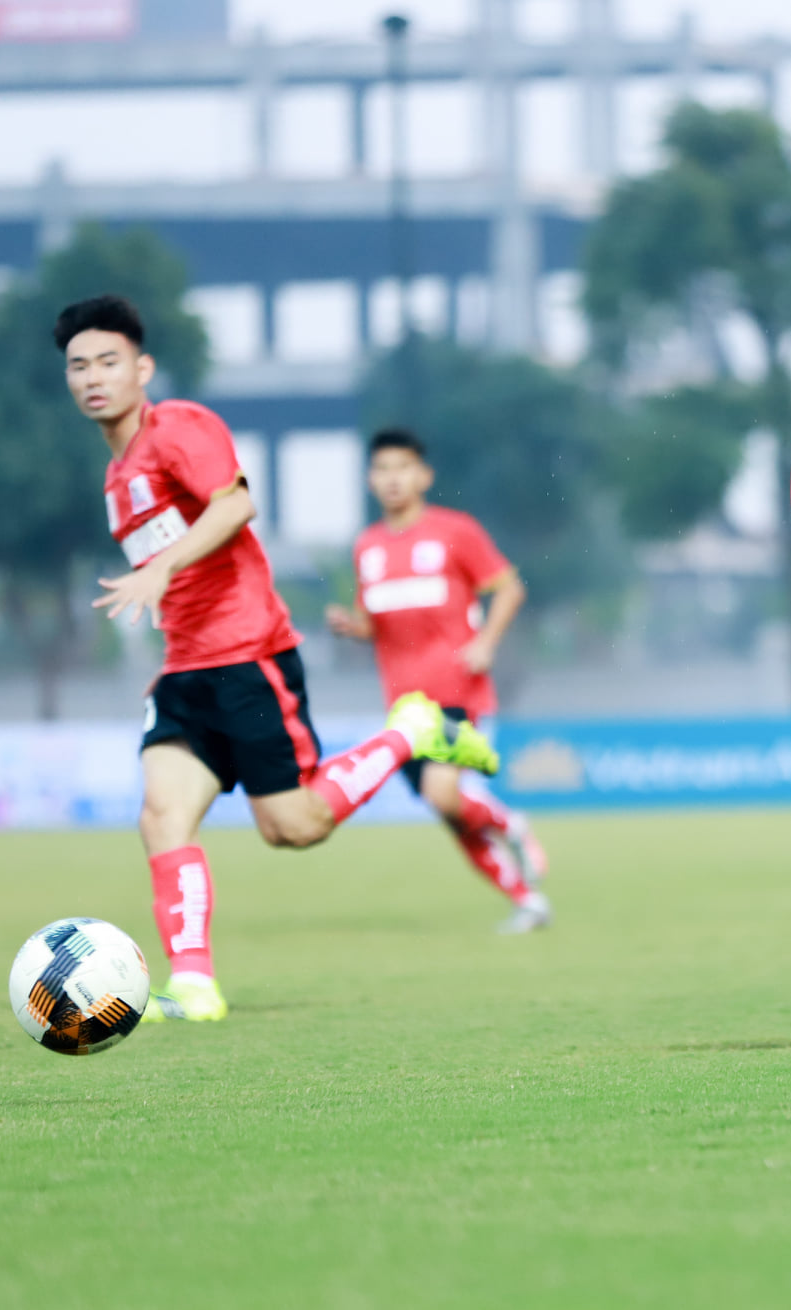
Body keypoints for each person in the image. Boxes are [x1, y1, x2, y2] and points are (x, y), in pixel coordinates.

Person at [59, 295, 498, 1023]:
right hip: (186, 670)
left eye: (108, 361)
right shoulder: (115, 478)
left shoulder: (180, 428)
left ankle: (411, 733)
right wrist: (170, 634)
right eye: (78, 366)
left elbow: (234, 507)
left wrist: (160, 569)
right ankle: (195, 986)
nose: (92, 377)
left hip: (249, 655)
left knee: (292, 827)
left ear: (143, 368)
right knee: (161, 815)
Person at [327, 429, 552, 934]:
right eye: (382, 469)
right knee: (450, 814)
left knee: (441, 793)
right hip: (403, 708)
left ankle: (512, 824)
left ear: (424, 476)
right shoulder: (368, 547)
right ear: (370, 479)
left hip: (457, 691)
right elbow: (377, 623)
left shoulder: (455, 532)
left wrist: (487, 642)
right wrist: (353, 627)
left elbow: (509, 588)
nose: (393, 478)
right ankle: (528, 900)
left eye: (402, 467)